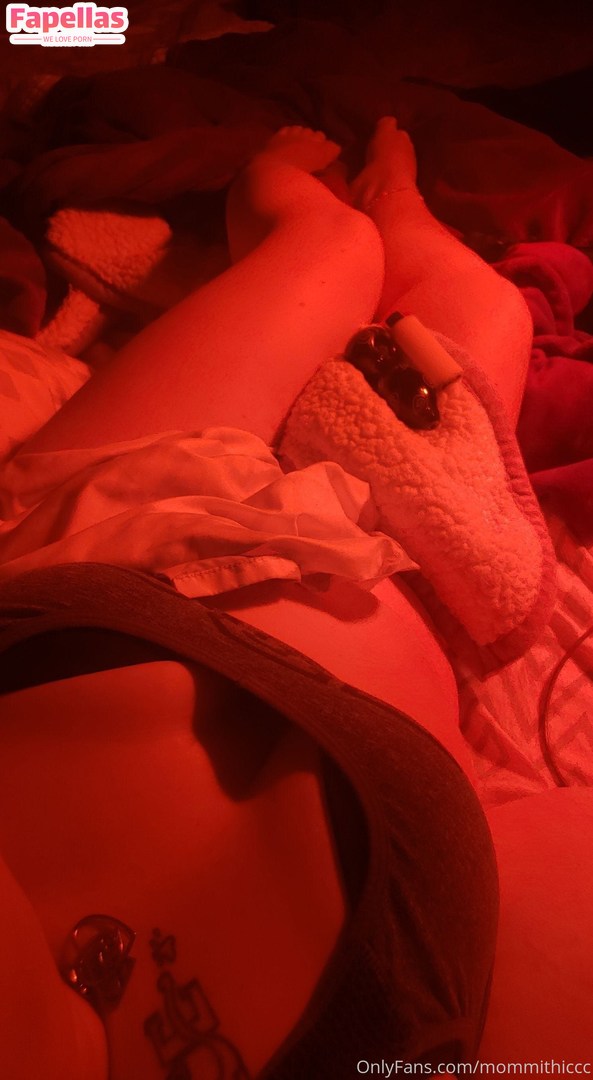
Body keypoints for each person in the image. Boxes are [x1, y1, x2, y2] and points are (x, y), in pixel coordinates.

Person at [0, 119, 589, 1079]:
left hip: (119, 528)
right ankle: (396, 201)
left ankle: (312, 178)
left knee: (330, 245)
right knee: (483, 310)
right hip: (379, 567)